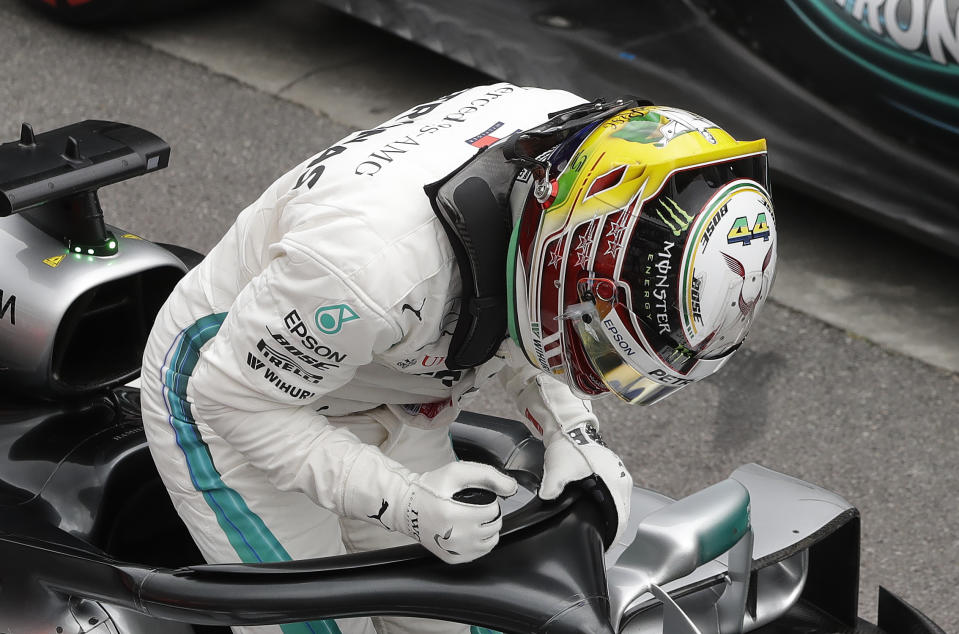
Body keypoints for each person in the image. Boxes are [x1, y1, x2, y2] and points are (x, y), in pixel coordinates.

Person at [140, 83, 778, 634]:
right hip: (237, 386)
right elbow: (231, 399)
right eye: (605, 338)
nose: (602, 362)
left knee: (457, 618)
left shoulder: (584, 162)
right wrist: (408, 503)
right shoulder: (368, 267)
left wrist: (571, 430)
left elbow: (529, 299)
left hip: (393, 370)